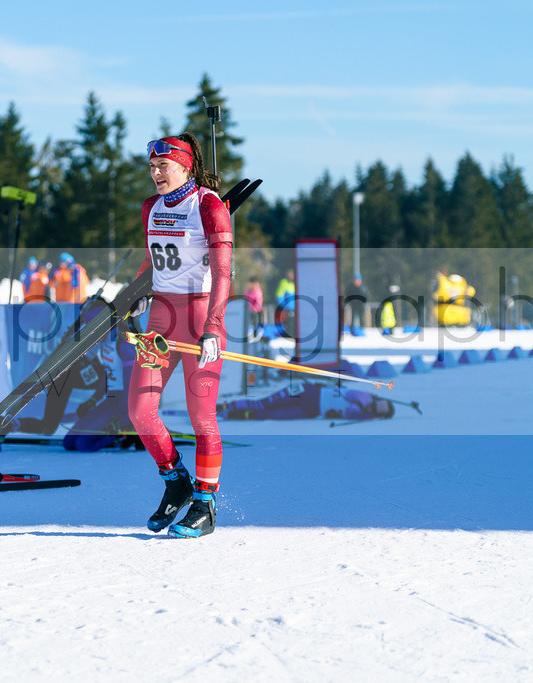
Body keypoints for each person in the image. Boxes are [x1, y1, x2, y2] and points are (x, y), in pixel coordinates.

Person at [127, 133, 232, 538]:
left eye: (163, 166)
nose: (155, 174)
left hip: (201, 314)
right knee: (140, 410)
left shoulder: (209, 206)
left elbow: (223, 272)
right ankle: (177, 482)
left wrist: (213, 326)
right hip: (161, 319)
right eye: (151, 167)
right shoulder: (150, 208)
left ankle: (205, 505)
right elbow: (153, 255)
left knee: (202, 416)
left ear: (185, 166)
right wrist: (138, 292)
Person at [216, 382, 396, 422]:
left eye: (378, 410)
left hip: (312, 410)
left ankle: (233, 414)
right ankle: (224, 406)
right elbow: (352, 412)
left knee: (270, 415)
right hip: (305, 392)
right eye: (377, 404)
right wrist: (368, 415)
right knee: (263, 404)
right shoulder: (365, 397)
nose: (374, 407)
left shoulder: (368, 408)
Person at [275, 270, 295, 336]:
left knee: (292, 321)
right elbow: (279, 295)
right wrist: (282, 305)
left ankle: (291, 334)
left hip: (293, 307)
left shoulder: (292, 284)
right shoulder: (284, 283)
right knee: (289, 321)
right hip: (287, 307)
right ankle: (288, 335)